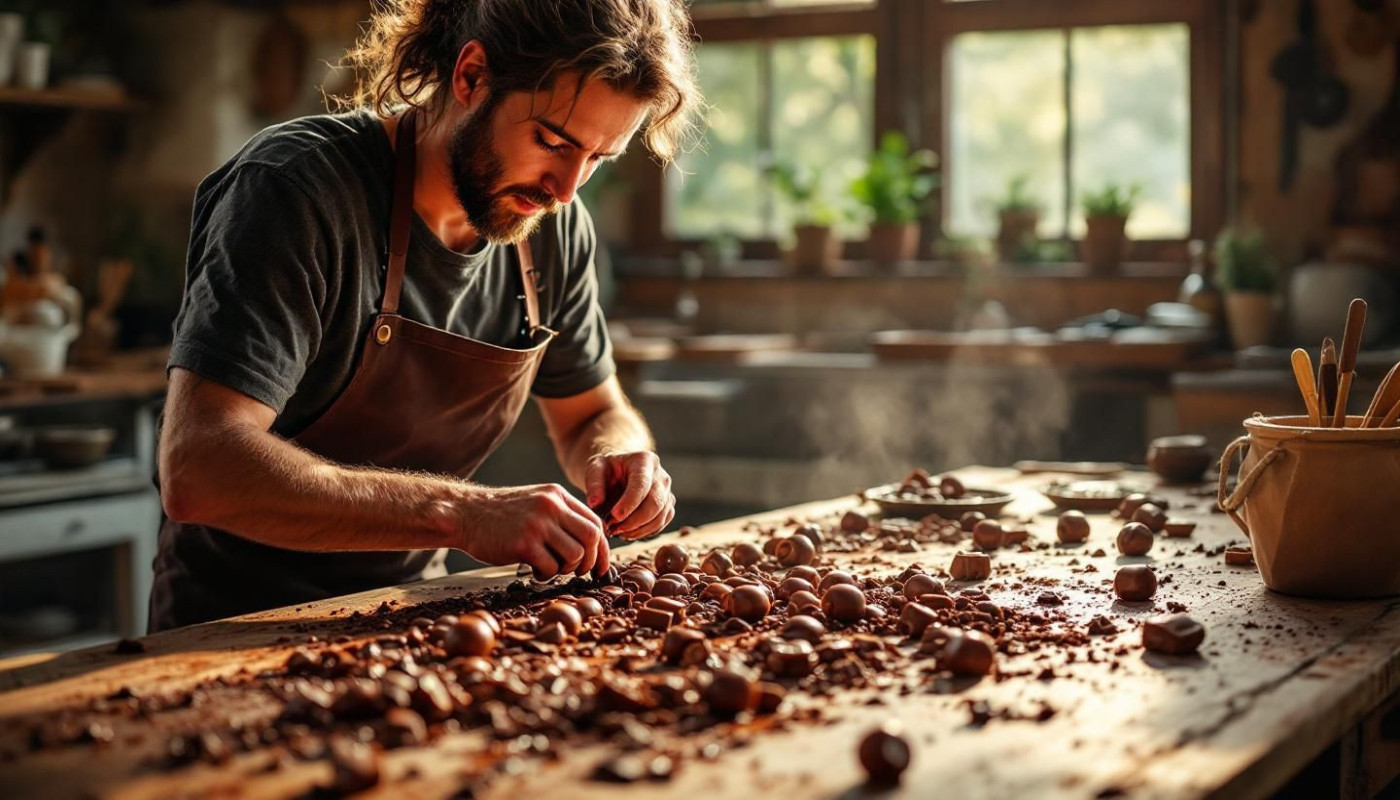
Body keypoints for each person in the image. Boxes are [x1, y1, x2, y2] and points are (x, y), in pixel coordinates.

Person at [149, 0, 701, 632]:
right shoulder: (293, 190)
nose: (566, 189)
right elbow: (201, 467)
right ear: (470, 77)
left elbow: (592, 415)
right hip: (232, 625)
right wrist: (463, 513)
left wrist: (623, 454)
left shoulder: (554, 229)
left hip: (416, 617)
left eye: (598, 160)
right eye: (552, 140)